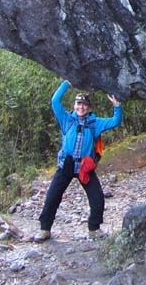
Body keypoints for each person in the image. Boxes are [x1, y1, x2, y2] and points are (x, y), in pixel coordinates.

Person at [33, 79, 122, 242]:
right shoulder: (66, 119)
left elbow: (116, 121)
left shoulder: (95, 123)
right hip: (66, 165)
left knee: (97, 198)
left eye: (84, 105)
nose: (81, 107)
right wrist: (66, 84)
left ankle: (94, 229)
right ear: (74, 106)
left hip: (84, 168)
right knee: (52, 197)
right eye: (78, 104)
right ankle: (44, 229)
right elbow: (55, 101)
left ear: (89, 108)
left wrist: (117, 106)